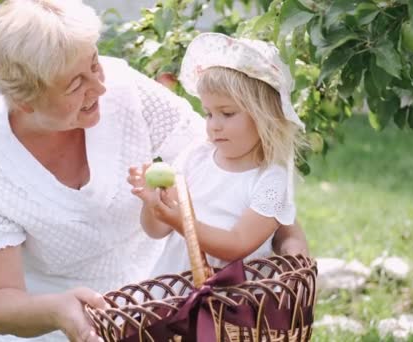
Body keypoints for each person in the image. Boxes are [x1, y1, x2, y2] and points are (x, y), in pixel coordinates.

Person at [0, 1, 309, 341]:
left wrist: (289, 239)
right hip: (59, 327)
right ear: (25, 101)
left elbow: (241, 164)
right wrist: (58, 310)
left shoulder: (122, 89)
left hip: (162, 304)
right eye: (76, 84)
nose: (100, 86)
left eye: (94, 63)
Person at [128, 32, 306, 276]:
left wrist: (184, 223)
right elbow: (156, 231)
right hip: (174, 291)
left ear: (264, 117)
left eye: (227, 113)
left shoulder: (270, 180)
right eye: (209, 113)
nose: (214, 125)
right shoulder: (195, 157)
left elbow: (237, 244)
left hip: (229, 300)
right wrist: (154, 206)